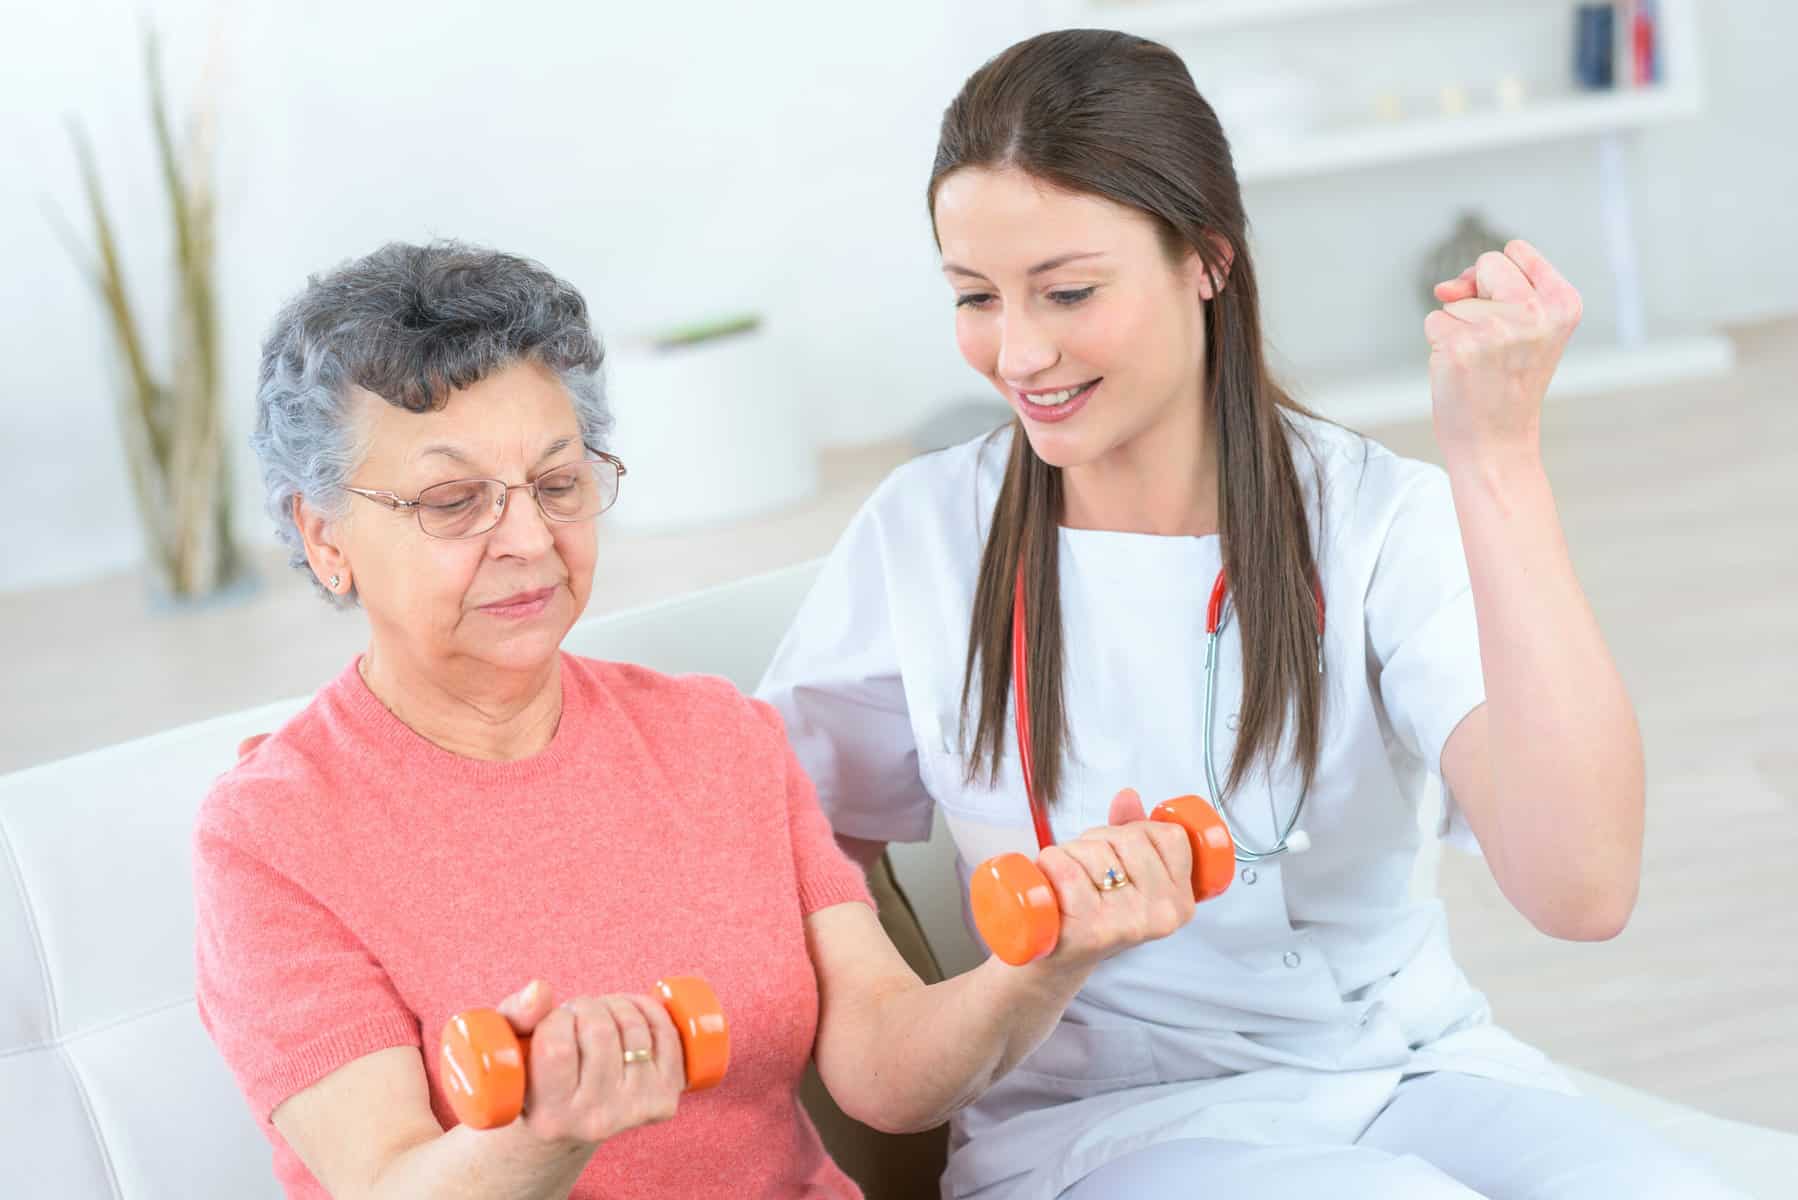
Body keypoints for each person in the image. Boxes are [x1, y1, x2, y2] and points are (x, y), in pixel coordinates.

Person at [756, 29, 1742, 1199]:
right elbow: (772, 842)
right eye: (975, 297)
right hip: (1098, 1128)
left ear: (1206, 261)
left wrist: (1499, 460)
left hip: (1413, 1073)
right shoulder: (925, 535)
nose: (1018, 351)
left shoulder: (1374, 514)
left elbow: (1582, 888)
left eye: (1068, 291)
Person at [192, 240, 1194, 1199]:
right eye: (454, 501)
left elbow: (883, 1074)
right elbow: (390, 1185)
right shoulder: (273, 834)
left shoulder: (717, 738)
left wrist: (1043, 963)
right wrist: (550, 1134)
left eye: (557, 481)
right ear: (324, 537)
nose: (532, 538)